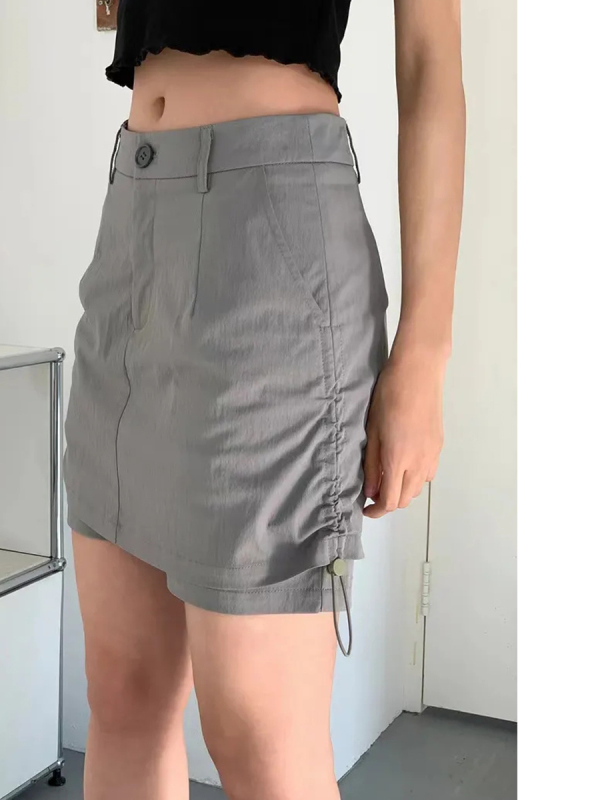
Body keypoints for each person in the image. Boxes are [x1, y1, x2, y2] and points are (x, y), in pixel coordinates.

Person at [63, 1, 465, 798]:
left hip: (273, 233)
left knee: (257, 730)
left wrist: (424, 352)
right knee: (123, 691)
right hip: (134, 216)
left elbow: (430, 68)